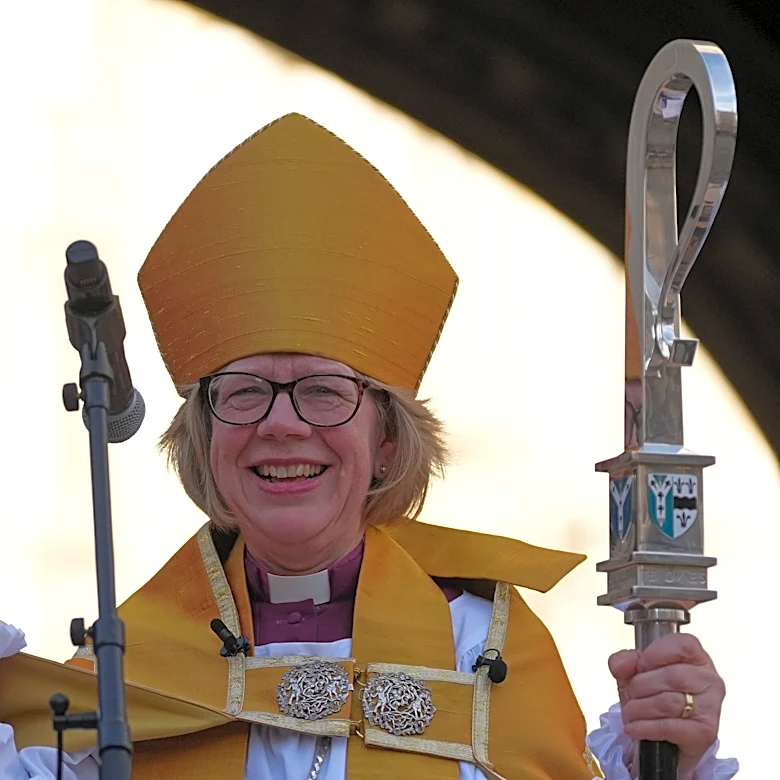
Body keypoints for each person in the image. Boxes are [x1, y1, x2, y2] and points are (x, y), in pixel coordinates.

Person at [0, 114, 738, 779]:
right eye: (244, 391)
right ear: (205, 439)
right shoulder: (123, 671)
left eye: (324, 390)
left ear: (386, 442)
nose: (281, 425)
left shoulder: (482, 647)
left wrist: (668, 759)